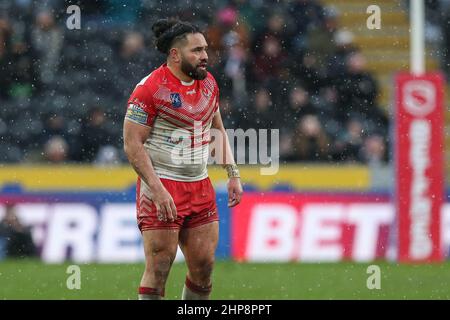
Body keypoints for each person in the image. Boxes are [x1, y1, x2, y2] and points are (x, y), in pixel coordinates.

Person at [123, 19, 243, 300]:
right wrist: (157, 189)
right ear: (175, 55)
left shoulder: (209, 83)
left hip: (199, 185)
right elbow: (132, 144)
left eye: (205, 49)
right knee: (160, 267)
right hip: (163, 185)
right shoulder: (149, 89)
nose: (204, 56)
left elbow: (217, 130)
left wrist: (233, 173)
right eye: (197, 50)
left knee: (204, 266)